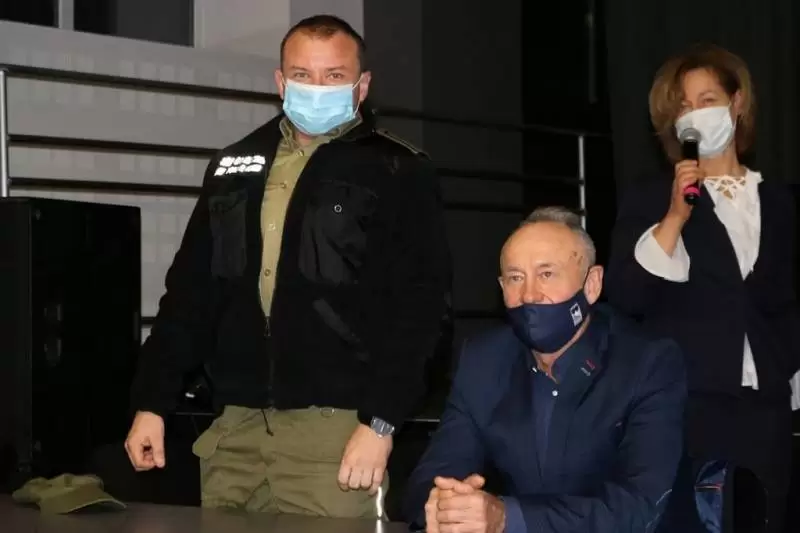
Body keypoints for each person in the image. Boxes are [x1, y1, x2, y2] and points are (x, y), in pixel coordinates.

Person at [123, 14, 451, 518]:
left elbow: (423, 308)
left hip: (336, 435)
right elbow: (190, 294)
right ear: (280, 82)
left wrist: (382, 422)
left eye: (334, 76)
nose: (316, 88)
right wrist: (152, 401)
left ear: (362, 85)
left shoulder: (399, 168)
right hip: (234, 432)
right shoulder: (234, 165)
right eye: (302, 75)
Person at [606, 43, 800, 533]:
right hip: (686, 405)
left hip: (766, 404)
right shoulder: (651, 197)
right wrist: (675, 216)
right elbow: (626, 296)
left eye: (707, 99)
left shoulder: (781, 201)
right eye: (683, 107)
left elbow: (787, 302)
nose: (695, 114)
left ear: (737, 102)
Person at [403, 206, 686, 533]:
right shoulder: (484, 361)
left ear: (592, 284)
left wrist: (508, 517)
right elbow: (433, 476)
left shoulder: (647, 362)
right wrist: (445, 504)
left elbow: (639, 506)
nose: (529, 295)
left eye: (547, 274)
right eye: (515, 278)